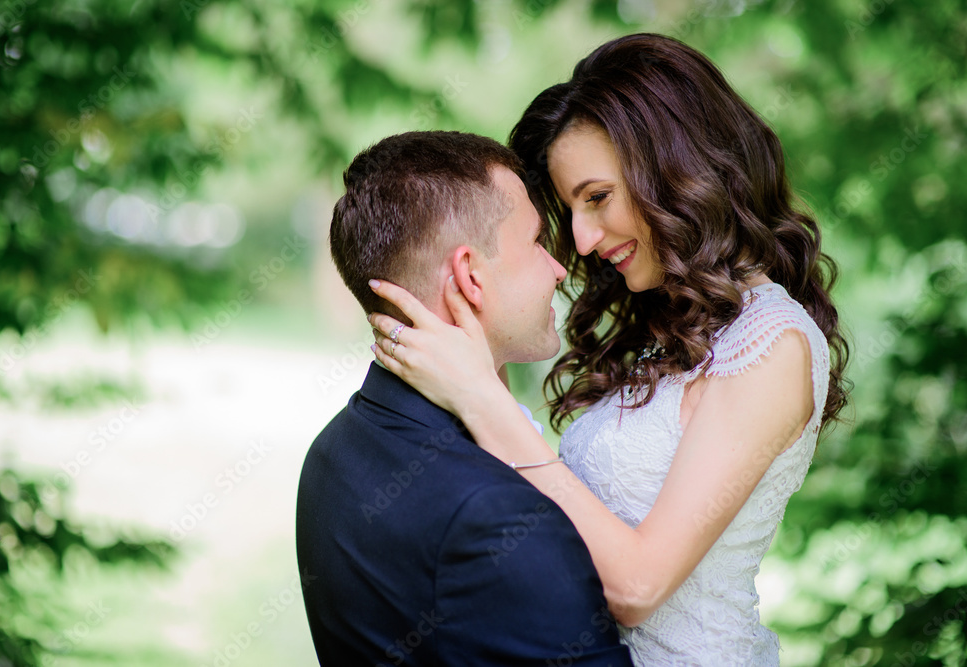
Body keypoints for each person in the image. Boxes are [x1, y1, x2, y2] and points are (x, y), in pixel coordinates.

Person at [366, 34, 850, 665]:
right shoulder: (669, 325)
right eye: (571, 209)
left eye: (597, 198)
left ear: (680, 168)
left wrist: (483, 400)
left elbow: (638, 587)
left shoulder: (772, 346)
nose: (583, 240)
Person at [296, 130, 634, 666]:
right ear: (469, 276)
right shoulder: (504, 515)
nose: (558, 269)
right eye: (537, 242)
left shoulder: (333, 451)